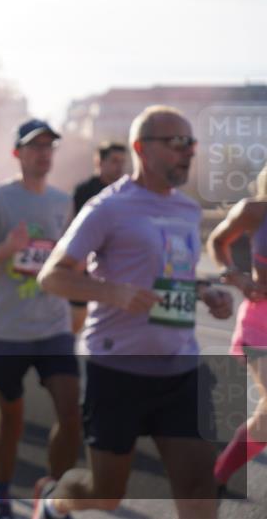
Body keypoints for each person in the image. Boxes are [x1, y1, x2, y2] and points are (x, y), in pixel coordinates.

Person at [36, 105, 234, 519]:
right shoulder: (107, 207)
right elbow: (52, 278)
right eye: (178, 142)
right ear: (143, 148)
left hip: (180, 367)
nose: (189, 151)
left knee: (199, 487)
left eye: (192, 143)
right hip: (117, 368)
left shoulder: (188, 210)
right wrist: (113, 292)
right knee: (104, 493)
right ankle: (56, 499)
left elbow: (171, 275)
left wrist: (205, 292)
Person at [0, 119, 80, 519]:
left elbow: (74, 261)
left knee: (72, 414)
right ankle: (1, 494)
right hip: (7, 330)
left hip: (54, 326)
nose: (43, 153)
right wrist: (7, 248)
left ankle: (53, 497)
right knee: (10, 421)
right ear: (17, 153)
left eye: (49, 146)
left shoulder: (63, 202)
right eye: (34, 146)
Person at [207, 163, 267, 493]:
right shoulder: (255, 210)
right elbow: (217, 242)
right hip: (262, 322)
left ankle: (216, 475)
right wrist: (237, 276)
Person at [69, 142, 128, 332]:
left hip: (116, 272)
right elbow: (73, 231)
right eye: (114, 161)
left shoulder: (128, 194)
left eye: (122, 162)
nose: (119, 167)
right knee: (76, 324)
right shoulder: (84, 191)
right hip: (84, 269)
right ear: (99, 162)